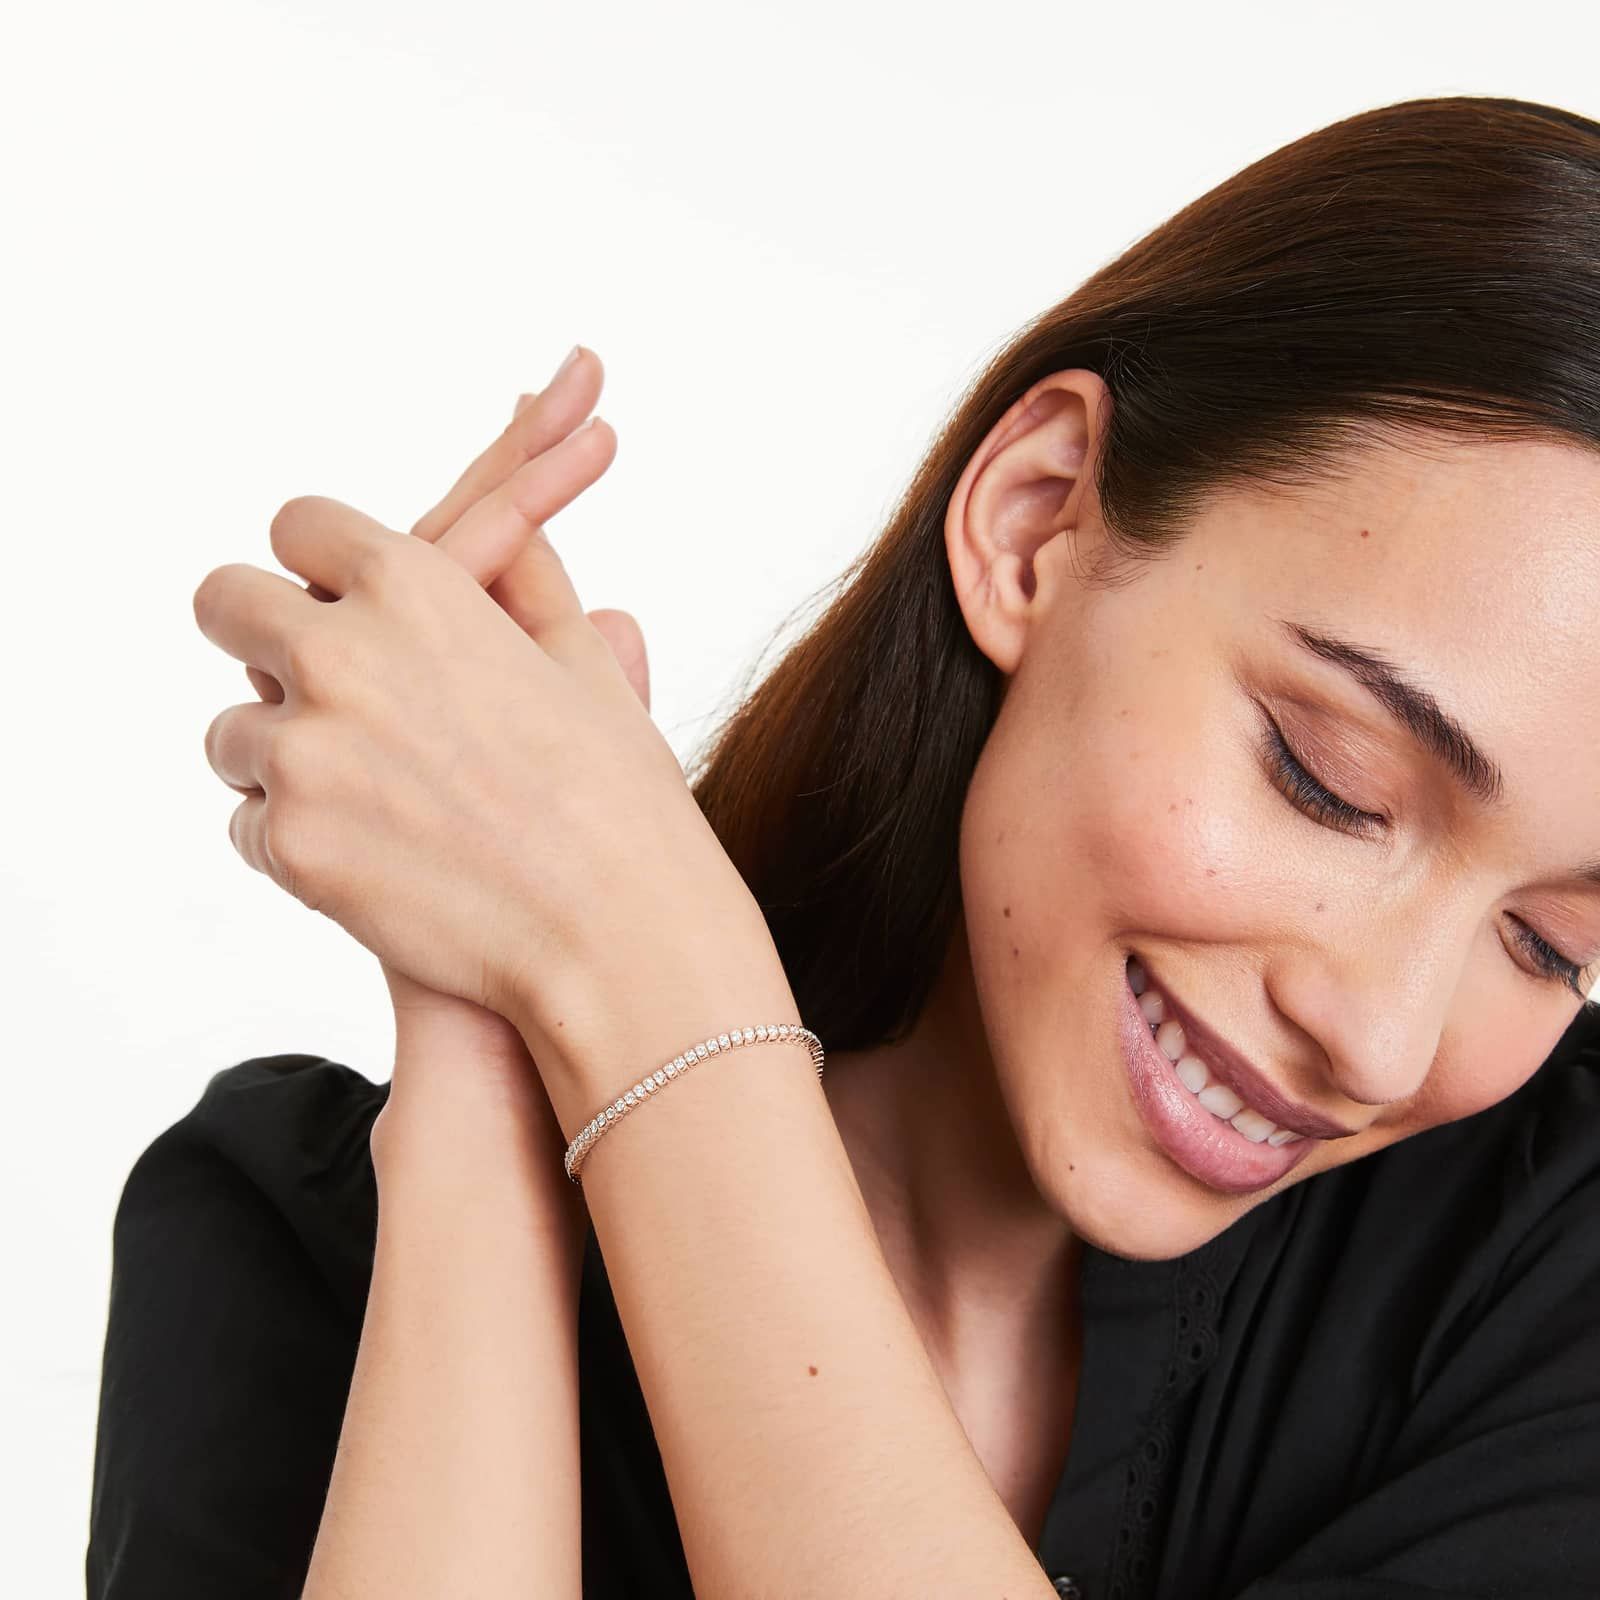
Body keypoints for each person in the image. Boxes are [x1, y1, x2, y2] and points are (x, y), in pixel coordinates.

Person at [88, 92, 1600, 1600]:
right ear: (1034, 522)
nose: (1384, 1042)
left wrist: (637, 977)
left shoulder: (1547, 1269)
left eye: (1555, 947)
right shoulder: (291, 1261)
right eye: (1327, 778)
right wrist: (487, 1071)